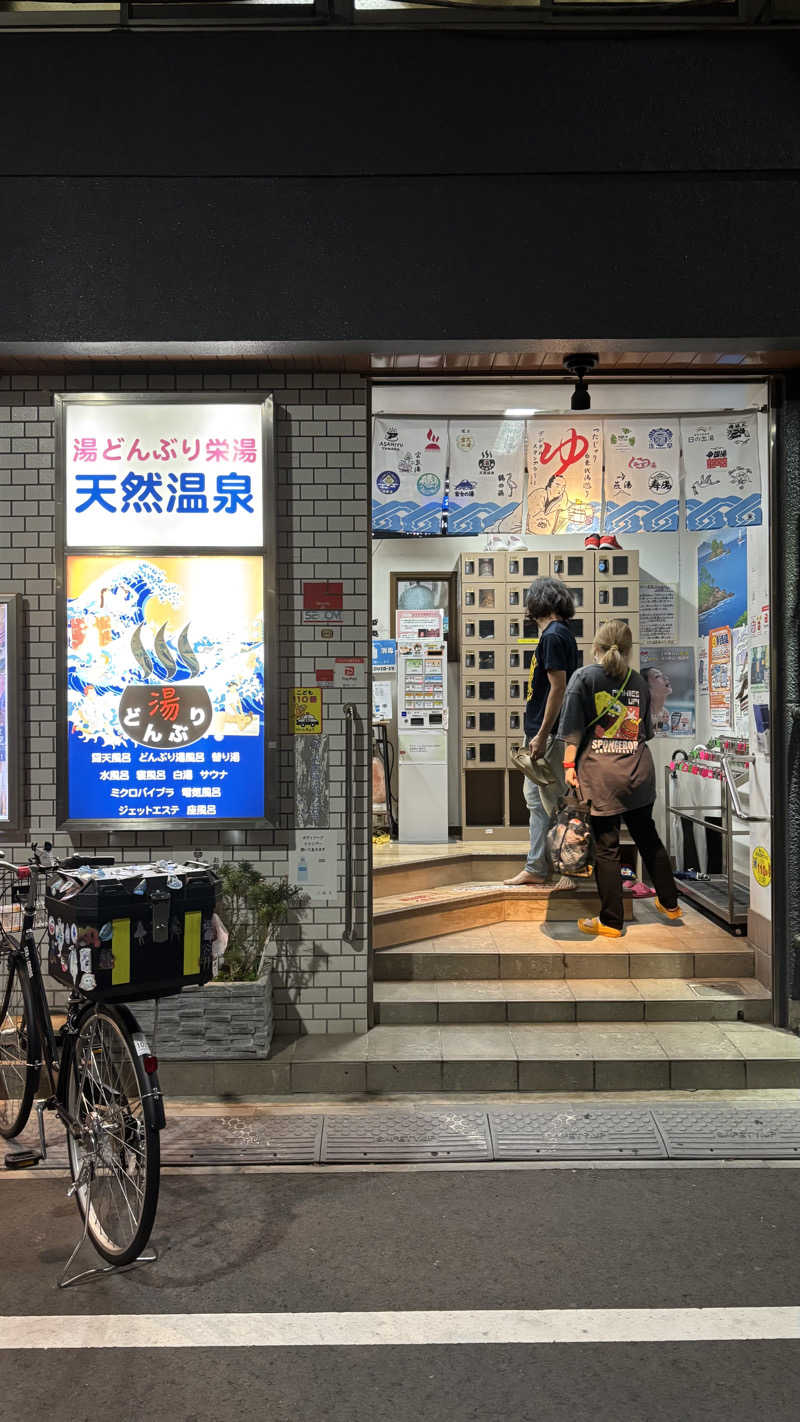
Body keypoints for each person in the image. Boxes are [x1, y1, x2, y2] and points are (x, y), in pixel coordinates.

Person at [559, 620, 682, 937]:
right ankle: (670, 903)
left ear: (596, 647)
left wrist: (569, 765)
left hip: (601, 776)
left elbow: (572, 729)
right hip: (639, 773)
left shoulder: (584, 678)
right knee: (648, 837)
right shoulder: (639, 682)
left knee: (607, 847)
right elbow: (646, 731)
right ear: (629, 650)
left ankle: (611, 921)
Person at [504, 576, 579, 887]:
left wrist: (542, 734)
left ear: (539, 602)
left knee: (558, 801)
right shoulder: (558, 634)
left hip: (547, 734)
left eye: (529, 600)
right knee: (535, 800)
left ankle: (572, 871)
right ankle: (536, 866)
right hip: (542, 731)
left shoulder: (553, 636)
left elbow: (558, 689)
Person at [641, 664, 672, 734]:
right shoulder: (643, 715)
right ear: (647, 687)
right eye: (657, 676)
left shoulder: (665, 713)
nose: (665, 677)